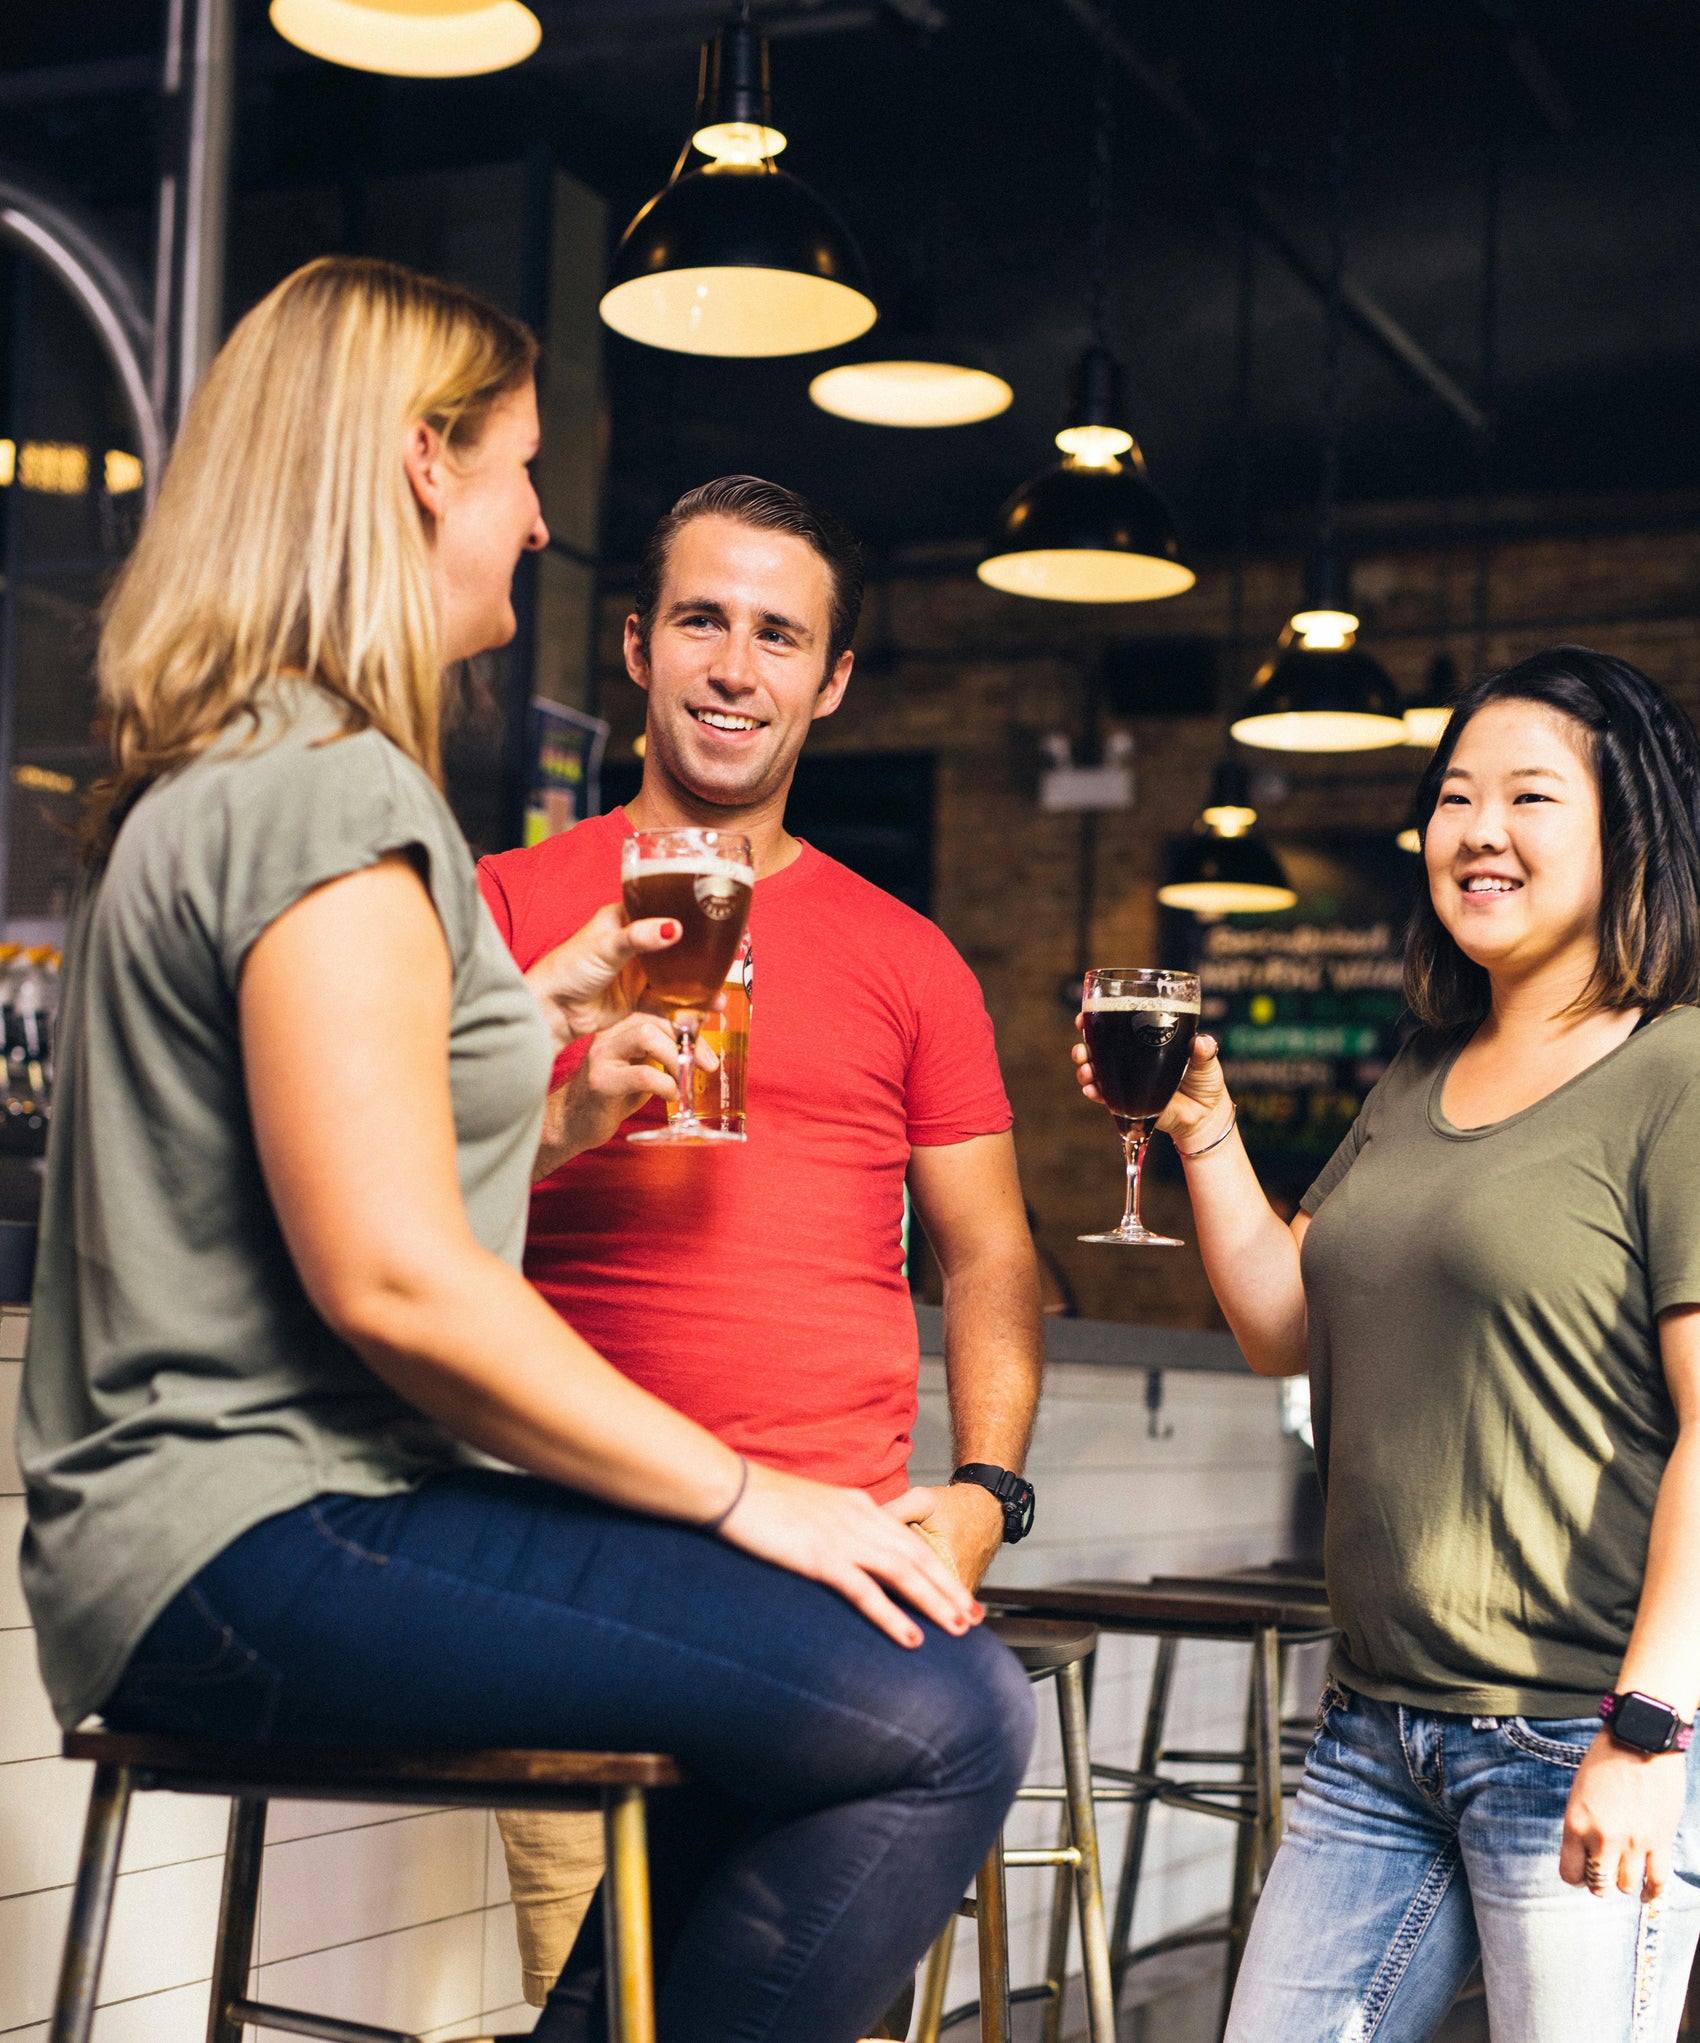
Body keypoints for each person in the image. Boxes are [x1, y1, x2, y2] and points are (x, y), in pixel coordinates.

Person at [17, 255, 1034, 2043]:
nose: (543, 525)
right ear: (424, 466)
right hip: (254, 1532)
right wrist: (754, 1498)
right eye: (522, 470)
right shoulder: (335, 786)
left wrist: (545, 1078)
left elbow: (333, 1174)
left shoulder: (261, 760)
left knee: (820, 1704)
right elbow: (396, 1281)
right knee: (950, 1711)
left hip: (207, 1534)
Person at [476, 473, 1044, 2019]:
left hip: (842, 1558)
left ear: (832, 681)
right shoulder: (502, 908)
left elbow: (990, 1254)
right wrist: (567, 1106)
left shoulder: (908, 957)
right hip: (569, 1541)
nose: (737, 667)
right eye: (705, 622)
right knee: (603, 1989)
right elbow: (391, 1215)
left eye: (780, 636)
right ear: (638, 645)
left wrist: (984, 1496)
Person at [1075, 646, 1700, 2041]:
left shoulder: (1678, 1073)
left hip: (1577, 1727)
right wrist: (1205, 1130)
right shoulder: (1421, 1069)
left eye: (1532, 797)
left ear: (1627, 832)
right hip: (1375, 1729)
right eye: (1457, 796)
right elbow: (1287, 1326)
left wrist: (1651, 1730)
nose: (1479, 832)